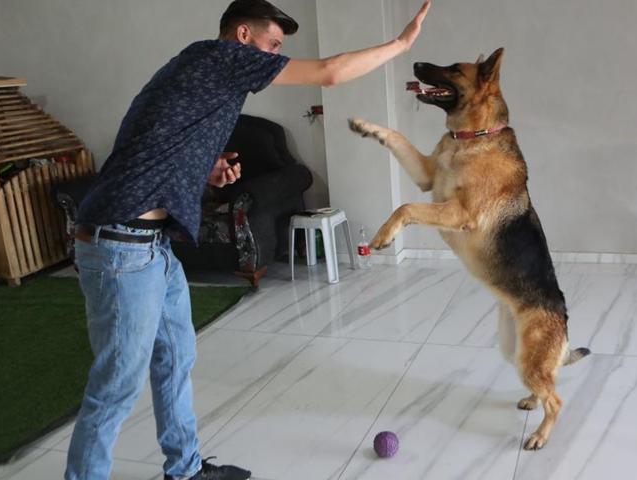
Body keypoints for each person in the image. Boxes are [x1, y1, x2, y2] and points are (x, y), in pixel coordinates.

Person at [65, 1, 431, 479]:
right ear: (243, 36)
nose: (276, 55)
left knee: (176, 357)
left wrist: (208, 170)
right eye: (273, 44)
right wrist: (401, 44)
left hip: (151, 245)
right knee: (115, 386)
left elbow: (161, 141)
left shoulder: (206, 71)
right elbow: (330, 72)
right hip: (120, 245)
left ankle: (187, 470)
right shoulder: (220, 57)